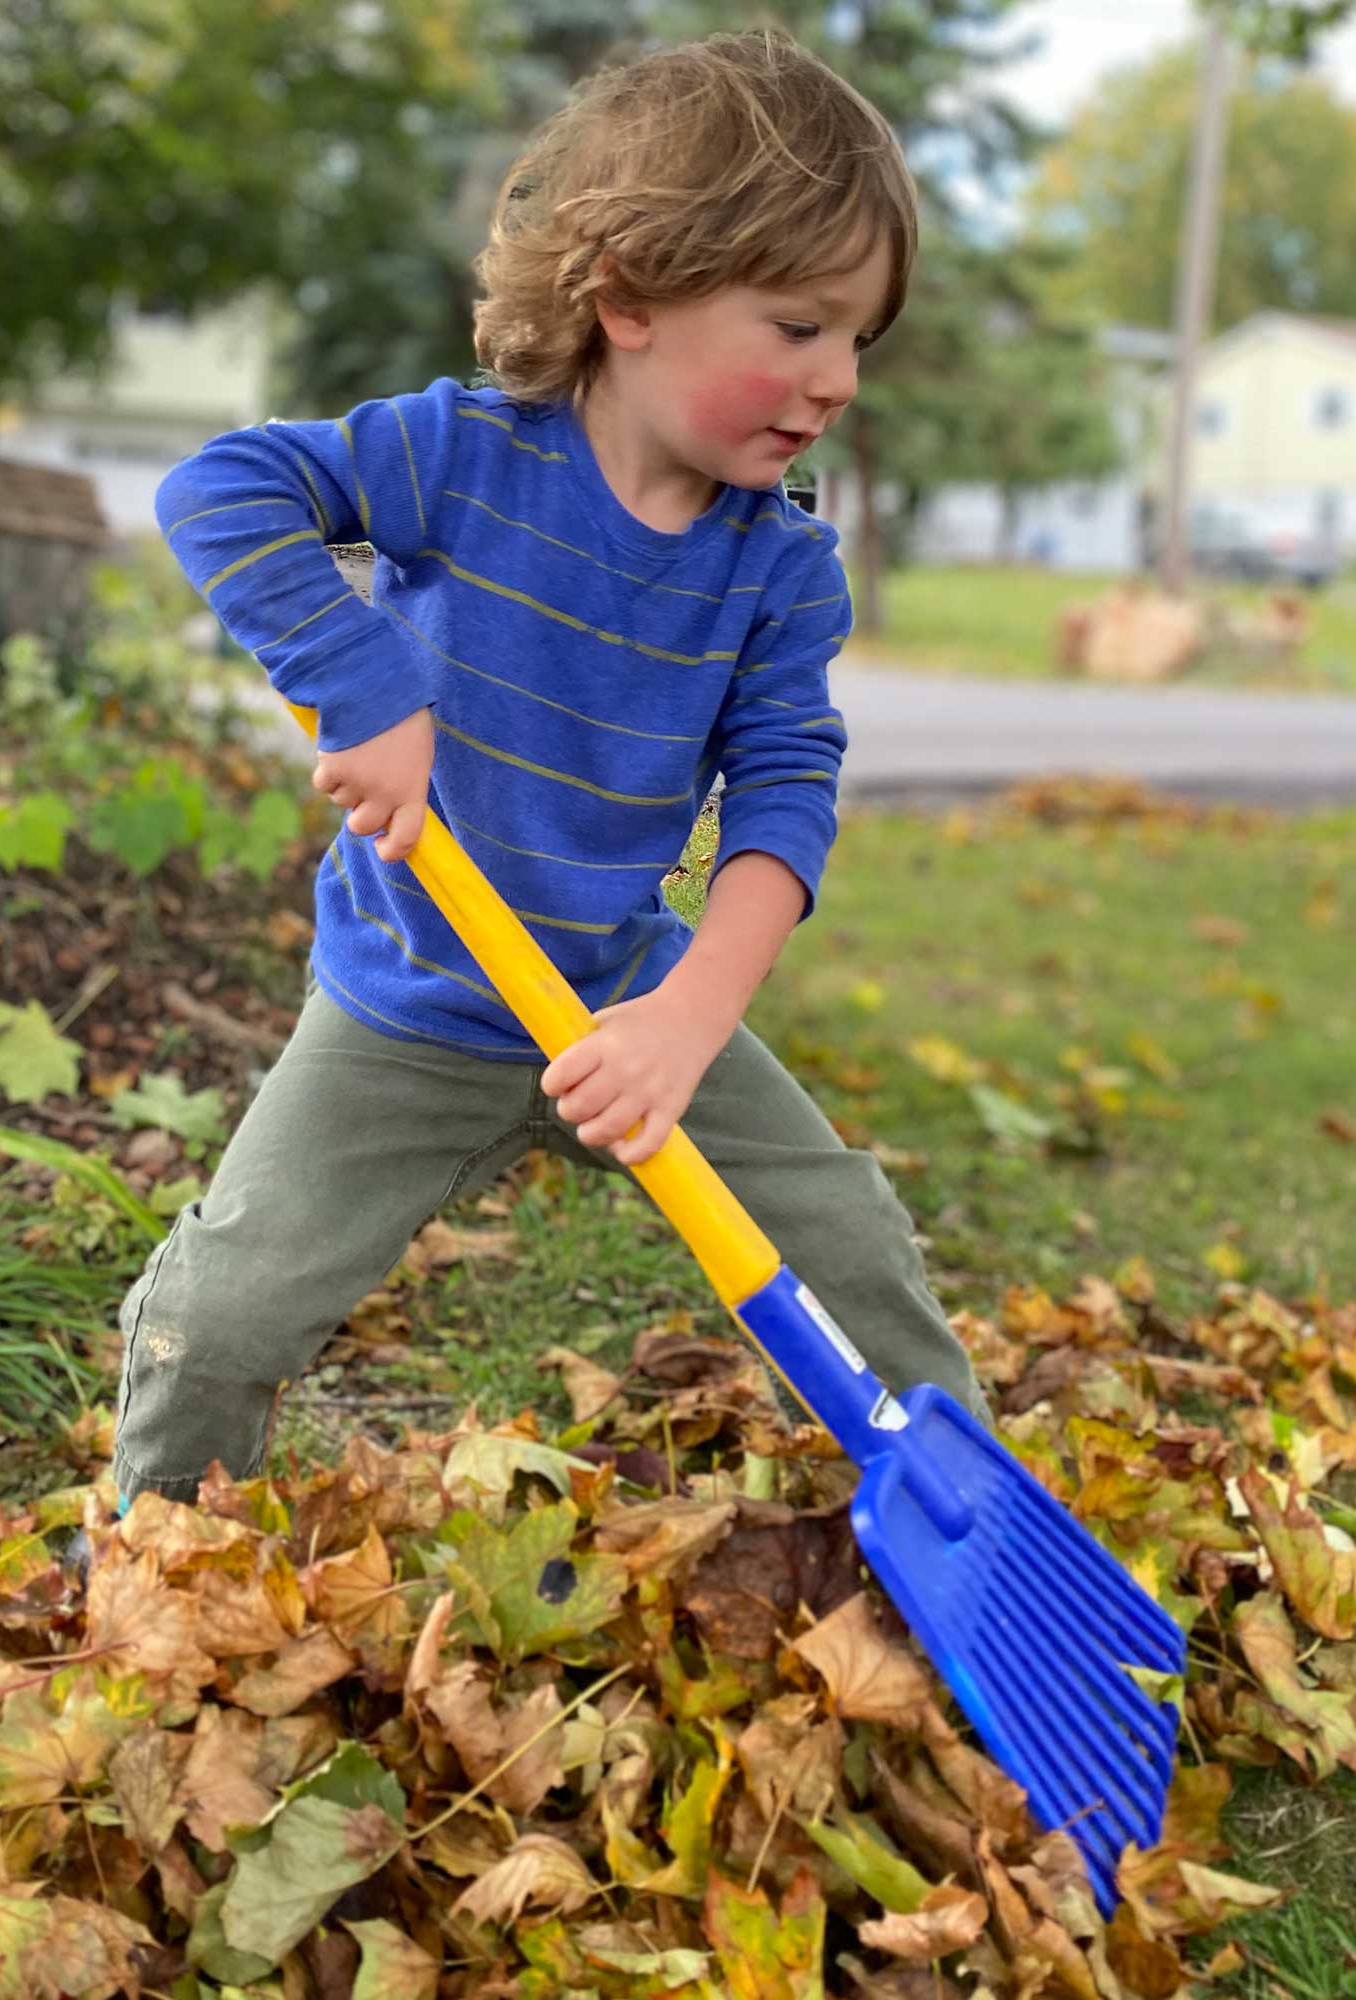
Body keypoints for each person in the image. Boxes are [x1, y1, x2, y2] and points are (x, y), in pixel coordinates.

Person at [112, 26, 990, 1511]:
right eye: (798, 325)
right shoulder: (459, 459)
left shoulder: (777, 569)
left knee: (851, 1251)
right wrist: (365, 685)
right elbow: (220, 489)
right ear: (631, 296)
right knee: (234, 1310)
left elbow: (785, 796)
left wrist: (684, 1023)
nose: (838, 378)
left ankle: (973, 1515)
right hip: (416, 999)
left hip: (630, 992)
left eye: (861, 338)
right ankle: (152, 1556)